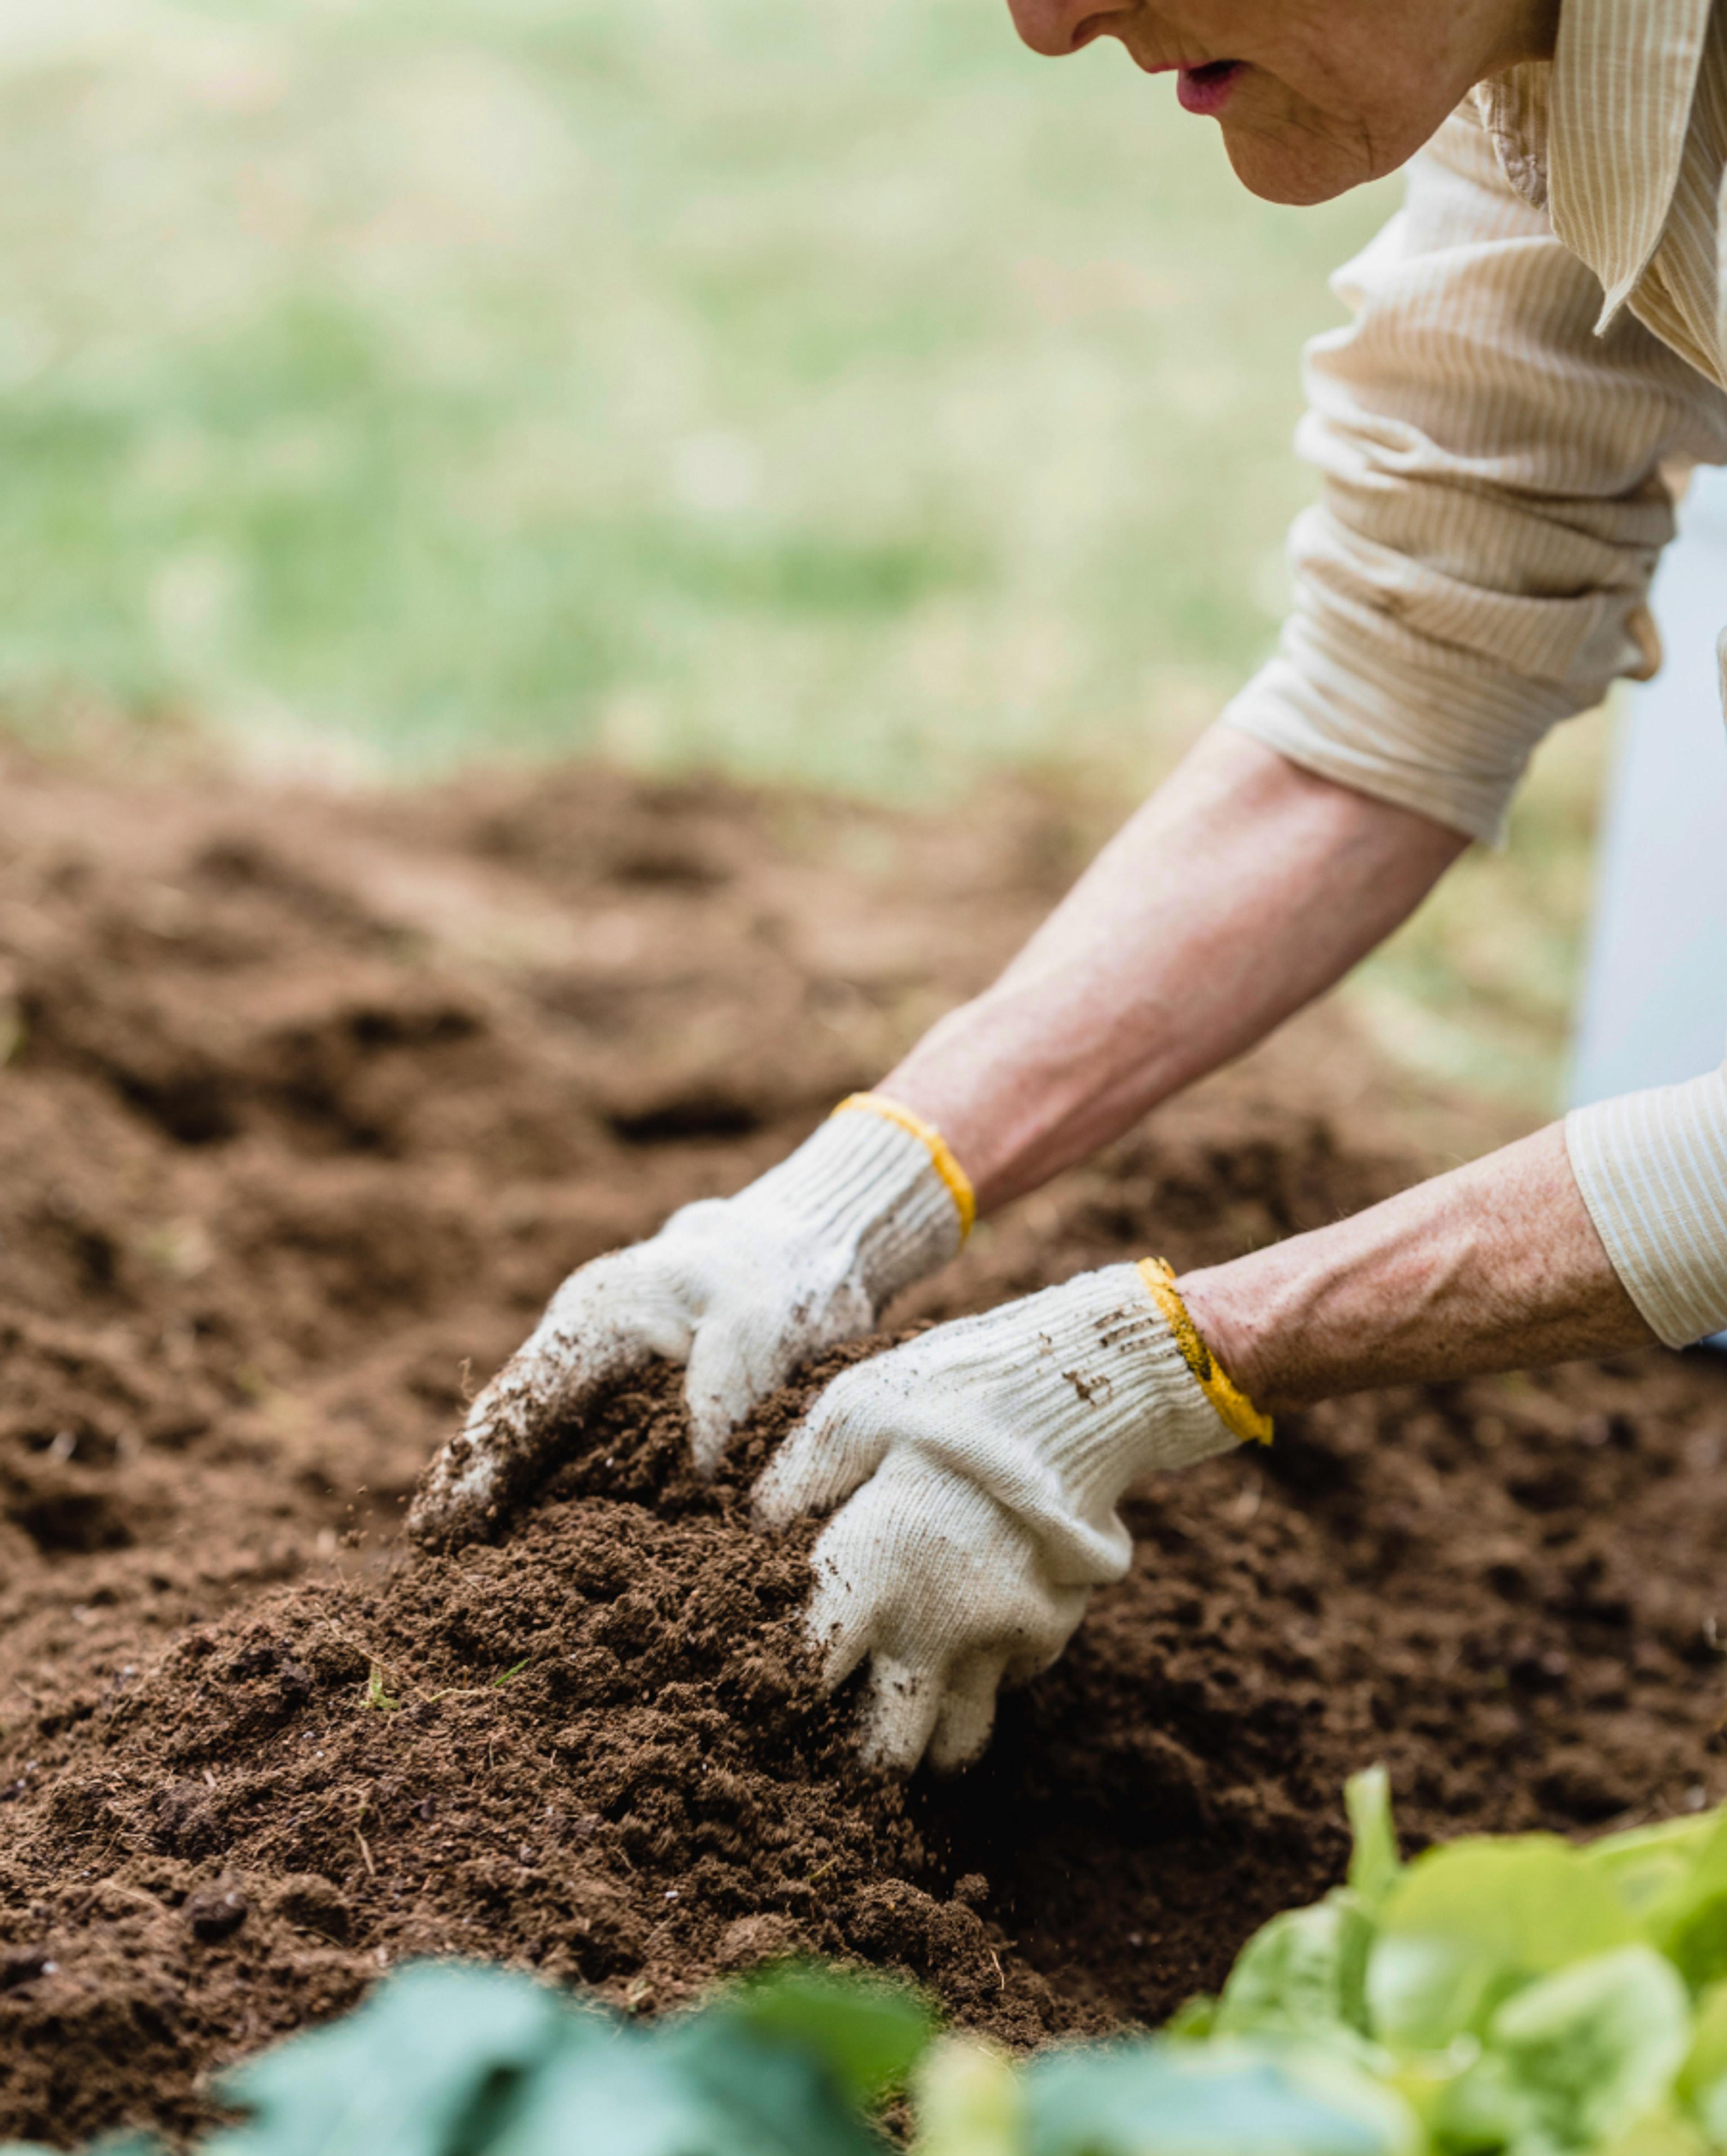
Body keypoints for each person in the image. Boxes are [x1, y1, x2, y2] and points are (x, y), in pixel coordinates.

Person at [414, 0, 1727, 1775]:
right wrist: (840, 1211)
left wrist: (1167, 1360)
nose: (1048, 19)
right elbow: (1418, 655)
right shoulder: (1544, 65)